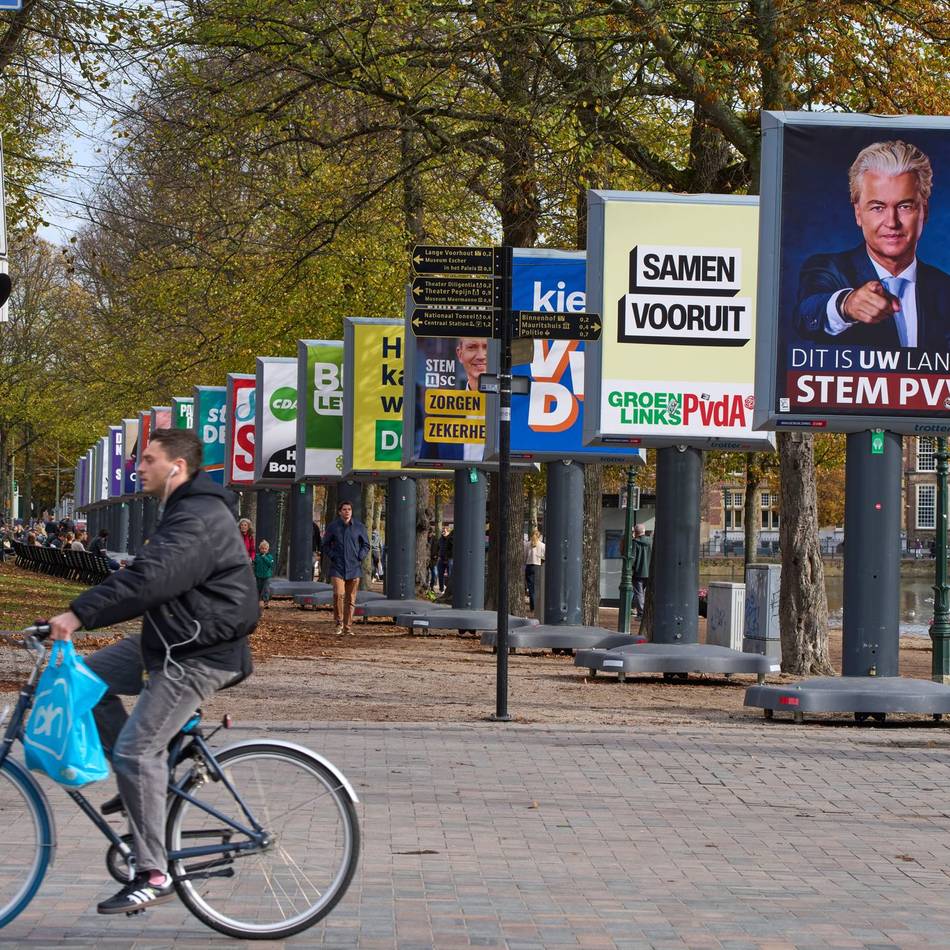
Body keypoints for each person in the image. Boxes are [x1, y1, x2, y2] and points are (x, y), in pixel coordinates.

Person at [45, 427, 258, 916]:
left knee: (136, 750)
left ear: (176, 467)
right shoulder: (182, 510)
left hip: (199, 651)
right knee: (85, 680)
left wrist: (78, 614)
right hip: (170, 638)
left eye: (147, 459)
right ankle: (140, 784)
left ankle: (153, 872)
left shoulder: (197, 517)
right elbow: (148, 578)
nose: (136, 467)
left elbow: (149, 579)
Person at [795, 140, 950, 349]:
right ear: (858, 213)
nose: (892, 222)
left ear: (924, 210)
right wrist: (846, 305)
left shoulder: (944, 289)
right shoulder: (827, 270)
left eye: (904, 206)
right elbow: (807, 314)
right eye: (878, 207)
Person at [322, 501, 369, 636]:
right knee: (338, 594)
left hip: (354, 567)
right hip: (338, 567)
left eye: (349, 509)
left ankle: (348, 627)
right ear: (339, 512)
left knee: (351, 599)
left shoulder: (359, 527)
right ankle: (339, 622)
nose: (347, 511)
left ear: (351, 512)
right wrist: (333, 556)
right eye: (344, 509)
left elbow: (366, 545)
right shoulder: (333, 527)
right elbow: (325, 544)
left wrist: (359, 557)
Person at [631, 524, 653, 620]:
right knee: (646, 593)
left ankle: (641, 614)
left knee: (639, 593)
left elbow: (632, 558)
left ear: (636, 532)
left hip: (638, 572)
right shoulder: (651, 541)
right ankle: (646, 612)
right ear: (644, 531)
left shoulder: (635, 542)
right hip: (650, 572)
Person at [524, 529, 545, 613]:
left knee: (531, 589)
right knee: (539, 588)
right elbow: (544, 557)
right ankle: (539, 607)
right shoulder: (543, 545)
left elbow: (524, 557)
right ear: (539, 536)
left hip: (529, 567)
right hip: (538, 566)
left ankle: (533, 607)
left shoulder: (527, 544)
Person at [254, 539, 275, 607]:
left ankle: (265, 601)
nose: (264, 550)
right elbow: (255, 565)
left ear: (268, 549)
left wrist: (265, 558)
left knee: (266, 589)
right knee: (258, 589)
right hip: (258, 576)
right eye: (262, 548)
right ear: (260, 549)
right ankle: (258, 601)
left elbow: (270, 564)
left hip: (266, 576)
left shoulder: (270, 557)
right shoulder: (257, 556)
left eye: (265, 549)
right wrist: (254, 573)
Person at [436, 524, 454, 593]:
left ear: (448, 532)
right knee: (440, 574)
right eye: (442, 531)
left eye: (445, 531)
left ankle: (449, 589)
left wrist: (448, 558)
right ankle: (441, 589)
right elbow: (438, 548)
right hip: (441, 558)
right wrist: (437, 555)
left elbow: (451, 549)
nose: (443, 532)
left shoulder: (451, 539)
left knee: (450, 574)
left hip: (450, 558)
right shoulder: (440, 540)